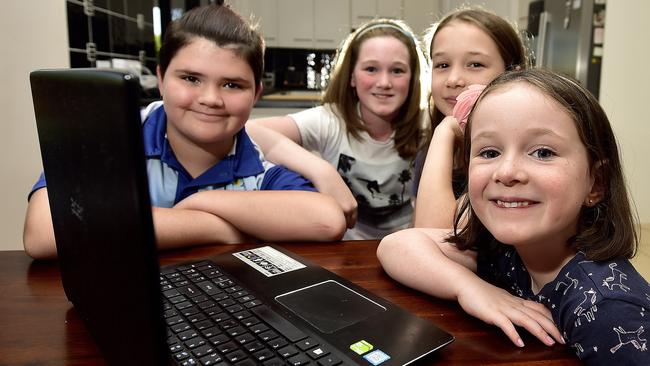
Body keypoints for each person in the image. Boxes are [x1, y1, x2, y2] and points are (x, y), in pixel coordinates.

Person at [22, 4, 347, 260]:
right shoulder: (109, 136)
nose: (210, 99)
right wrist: (220, 228)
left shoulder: (259, 166)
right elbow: (44, 232)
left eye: (232, 84)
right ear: (162, 79)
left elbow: (327, 221)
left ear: (256, 94)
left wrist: (205, 199)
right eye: (191, 78)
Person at [378, 69, 649, 365]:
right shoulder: (507, 250)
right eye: (490, 152)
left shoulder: (608, 309)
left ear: (595, 183)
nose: (506, 172)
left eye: (543, 152)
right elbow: (397, 245)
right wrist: (469, 289)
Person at [248, 18, 429, 239]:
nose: (384, 82)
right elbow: (249, 131)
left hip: (409, 245)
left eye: (397, 71)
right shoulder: (330, 121)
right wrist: (322, 172)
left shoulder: (427, 125)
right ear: (352, 77)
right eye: (371, 69)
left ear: (413, 78)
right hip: (343, 246)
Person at [413, 7, 529, 228]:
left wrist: (446, 130)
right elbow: (417, 237)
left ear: (512, 73)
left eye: (475, 64)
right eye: (442, 65)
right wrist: (444, 135)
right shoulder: (433, 150)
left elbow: (435, 236)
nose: (454, 79)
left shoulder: (514, 158)